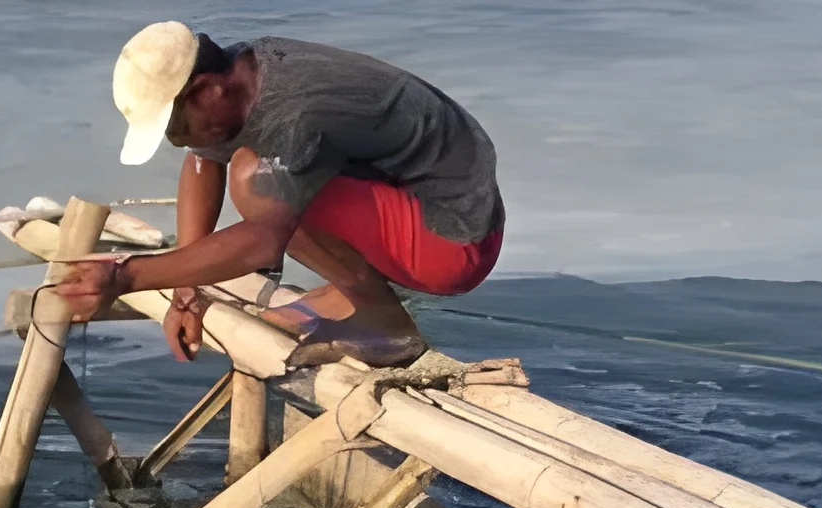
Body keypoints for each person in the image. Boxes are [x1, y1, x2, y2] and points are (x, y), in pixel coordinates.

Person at [54, 21, 506, 368]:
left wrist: (126, 277)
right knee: (257, 167)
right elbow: (203, 157)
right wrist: (184, 291)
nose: (173, 140)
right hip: (416, 195)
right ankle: (361, 290)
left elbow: (264, 238)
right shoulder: (243, 74)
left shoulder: (294, 113)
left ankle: (385, 326)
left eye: (172, 124)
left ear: (207, 88)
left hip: (452, 241)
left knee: (255, 179)